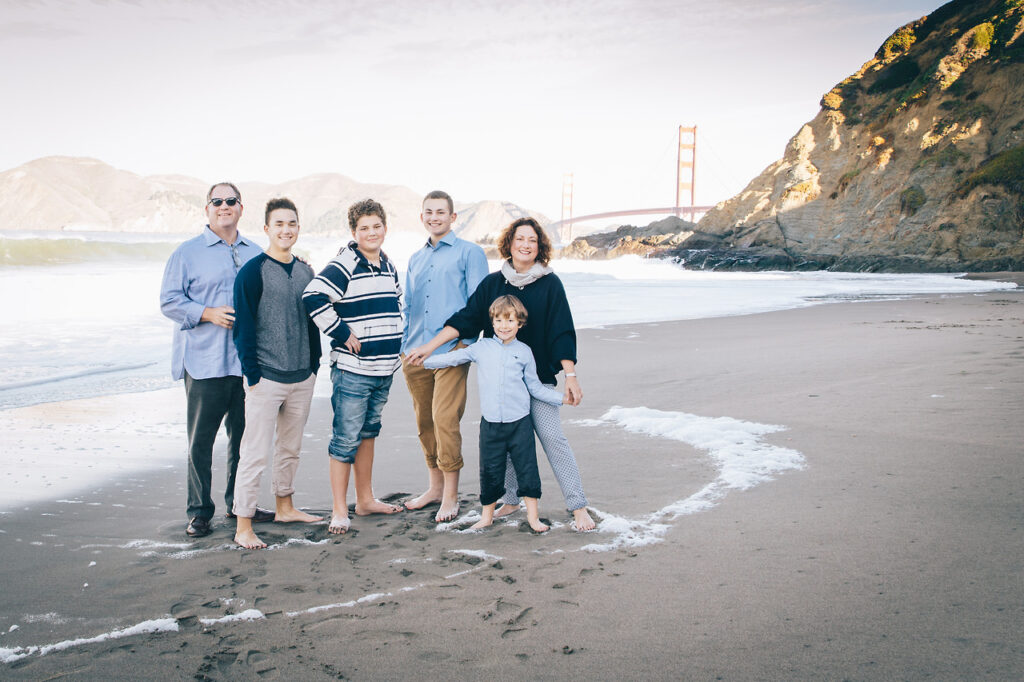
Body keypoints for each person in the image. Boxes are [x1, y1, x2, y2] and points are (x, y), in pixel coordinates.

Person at [407, 217, 597, 532]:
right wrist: (430, 347)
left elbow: (562, 332)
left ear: (540, 247)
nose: (525, 245)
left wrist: (571, 375)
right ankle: (510, 500)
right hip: (502, 382)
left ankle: (578, 506)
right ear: (509, 243)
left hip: (539, 379)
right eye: (519, 239)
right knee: (508, 437)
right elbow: (466, 319)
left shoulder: (550, 284)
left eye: (532, 240)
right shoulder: (494, 284)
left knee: (552, 438)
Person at [160, 182, 275, 538]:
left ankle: (242, 505)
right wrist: (207, 313)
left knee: (246, 440)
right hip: (204, 362)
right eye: (217, 201)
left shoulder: (257, 251)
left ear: (241, 208)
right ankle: (199, 512)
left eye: (231, 201)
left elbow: (271, 295)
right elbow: (169, 301)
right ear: (207, 209)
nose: (224, 206)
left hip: (246, 364)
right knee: (201, 442)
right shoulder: (187, 253)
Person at [303, 198, 403, 535]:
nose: (372, 233)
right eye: (364, 228)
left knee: (368, 433)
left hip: (383, 368)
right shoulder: (346, 262)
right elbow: (313, 296)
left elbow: (396, 306)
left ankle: (365, 500)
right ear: (353, 232)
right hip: (354, 370)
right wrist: (342, 332)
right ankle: (338, 510)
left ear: (385, 228)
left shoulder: (388, 265)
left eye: (377, 226)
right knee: (345, 439)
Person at [231, 198, 324, 549]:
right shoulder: (252, 271)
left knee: (290, 448)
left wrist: (314, 363)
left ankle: (285, 506)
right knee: (254, 452)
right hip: (266, 378)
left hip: (302, 376)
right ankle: (244, 524)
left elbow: (313, 322)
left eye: (293, 224)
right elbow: (243, 327)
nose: (287, 230)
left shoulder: (305, 272)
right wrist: (252, 374)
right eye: (279, 224)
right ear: (267, 229)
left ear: (298, 228)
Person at [425, 295, 562, 532]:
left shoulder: (524, 351)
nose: (504, 326)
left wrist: (562, 399)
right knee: (490, 470)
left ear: (520, 323)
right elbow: (453, 358)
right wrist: (423, 360)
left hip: (520, 423)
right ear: (492, 322)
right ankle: (486, 516)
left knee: (527, 469)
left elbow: (535, 387)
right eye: (498, 320)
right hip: (490, 425)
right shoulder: (481, 348)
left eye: (510, 321)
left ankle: (533, 517)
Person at [401, 190, 489, 523]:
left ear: (453, 218)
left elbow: (477, 307)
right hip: (414, 353)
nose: (434, 217)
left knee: (444, 420)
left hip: (452, 351)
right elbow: (407, 305)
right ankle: (434, 488)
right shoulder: (415, 258)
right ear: (422, 217)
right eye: (429, 212)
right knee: (424, 423)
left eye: (441, 212)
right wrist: (405, 347)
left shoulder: (471, 253)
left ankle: (451, 495)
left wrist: (460, 345)